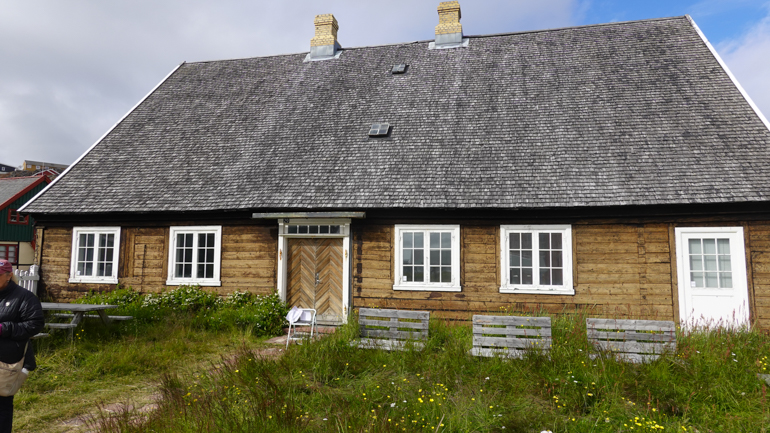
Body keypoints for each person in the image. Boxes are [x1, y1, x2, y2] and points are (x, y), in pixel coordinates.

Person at [0, 260, 44, 433]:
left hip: (5, 362)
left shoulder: (24, 297)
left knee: (2, 404)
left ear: (8, 276)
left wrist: (5, 328)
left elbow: (35, 324)